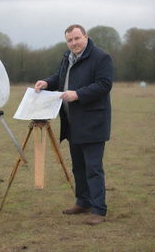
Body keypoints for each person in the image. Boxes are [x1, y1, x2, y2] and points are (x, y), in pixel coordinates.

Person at [34, 24, 113, 225]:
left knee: (93, 168)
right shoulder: (67, 57)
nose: (73, 43)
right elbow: (60, 78)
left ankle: (98, 209)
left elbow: (104, 84)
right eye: (69, 40)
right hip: (72, 123)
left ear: (86, 37)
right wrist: (46, 82)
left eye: (77, 38)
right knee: (78, 167)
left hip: (93, 123)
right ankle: (83, 202)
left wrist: (78, 94)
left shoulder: (101, 57)